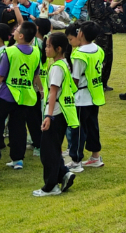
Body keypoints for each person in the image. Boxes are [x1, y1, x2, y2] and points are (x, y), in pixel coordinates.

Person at [0, 21, 43, 170]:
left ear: (21, 36)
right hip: (25, 96)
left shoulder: (10, 51)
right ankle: (18, 160)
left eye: (16, 30)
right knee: (18, 127)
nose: (14, 32)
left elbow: (0, 76)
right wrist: (39, 89)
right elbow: (35, 75)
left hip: (7, 95)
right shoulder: (36, 52)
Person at [36, 31, 77, 197]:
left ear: (58, 49)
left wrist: (48, 116)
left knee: (48, 153)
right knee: (52, 149)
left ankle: (51, 186)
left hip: (56, 113)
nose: (45, 49)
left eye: (48, 46)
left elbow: (53, 93)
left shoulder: (57, 68)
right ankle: (64, 174)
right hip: (61, 113)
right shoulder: (64, 63)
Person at [69, 21, 107, 169]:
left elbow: (75, 79)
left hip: (81, 97)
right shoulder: (98, 49)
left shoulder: (79, 54)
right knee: (92, 127)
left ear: (81, 34)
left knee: (78, 130)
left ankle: (76, 161)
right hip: (95, 94)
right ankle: (95, 156)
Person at [84, 0, 126, 90]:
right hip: (100, 31)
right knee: (102, 59)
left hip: (106, 30)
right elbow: (100, 14)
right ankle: (98, 83)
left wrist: (109, 4)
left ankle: (104, 83)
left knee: (108, 58)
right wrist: (112, 6)